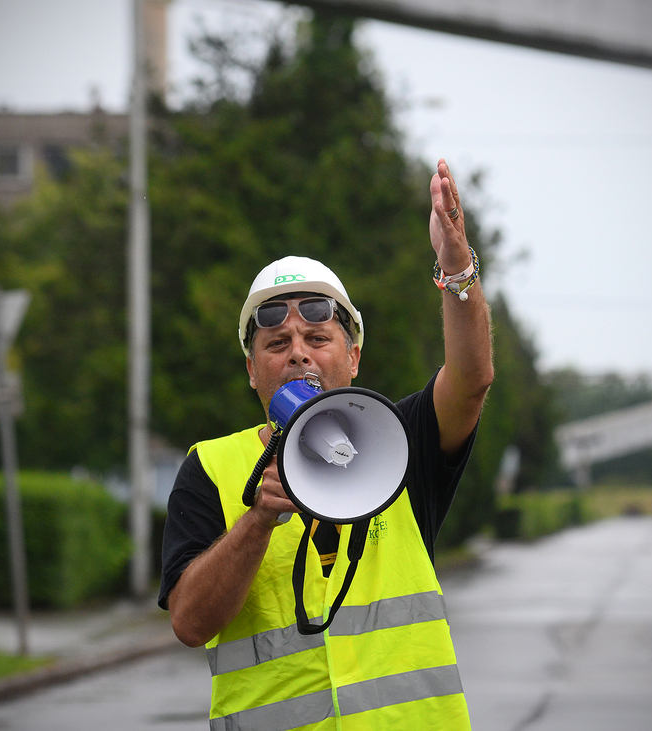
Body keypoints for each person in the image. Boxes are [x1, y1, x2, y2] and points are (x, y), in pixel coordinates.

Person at [158, 159, 493, 730]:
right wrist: (257, 520)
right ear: (251, 369)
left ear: (353, 356)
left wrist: (456, 269)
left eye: (318, 337)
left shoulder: (401, 438)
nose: (298, 353)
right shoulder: (211, 470)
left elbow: (471, 379)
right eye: (276, 342)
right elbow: (190, 624)